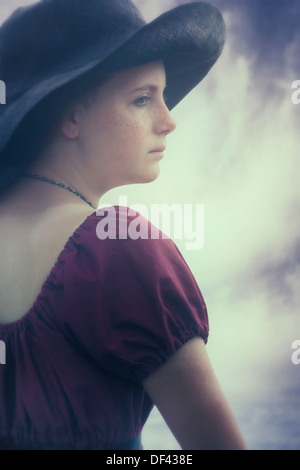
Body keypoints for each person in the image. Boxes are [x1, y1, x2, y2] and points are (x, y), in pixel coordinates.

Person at [0, 0, 248, 450]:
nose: (168, 121)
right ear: (71, 116)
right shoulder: (117, 247)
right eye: (142, 98)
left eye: (164, 97)